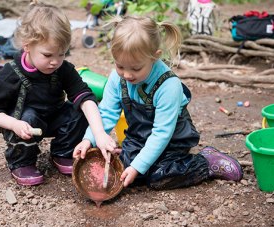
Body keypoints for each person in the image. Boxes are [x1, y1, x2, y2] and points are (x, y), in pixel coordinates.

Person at [73, 15, 243, 190]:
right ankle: (140, 163)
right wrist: (89, 139)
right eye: (120, 66)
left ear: (155, 57)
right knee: (122, 172)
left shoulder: (168, 86)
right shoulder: (117, 78)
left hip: (173, 140)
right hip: (139, 137)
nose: (127, 75)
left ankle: (206, 162)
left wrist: (138, 166)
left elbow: (162, 133)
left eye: (136, 68)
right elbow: (107, 112)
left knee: (158, 177)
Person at [0, 1, 116, 186]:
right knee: (29, 116)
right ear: (27, 46)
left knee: (80, 110)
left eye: (61, 54)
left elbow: (85, 96)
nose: (55, 62)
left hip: (53, 116)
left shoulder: (63, 69)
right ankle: (22, 161)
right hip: (24, 124)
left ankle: (63, 152)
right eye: (48, 55)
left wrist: (99, 133)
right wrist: (14, 124)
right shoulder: (9, 76)